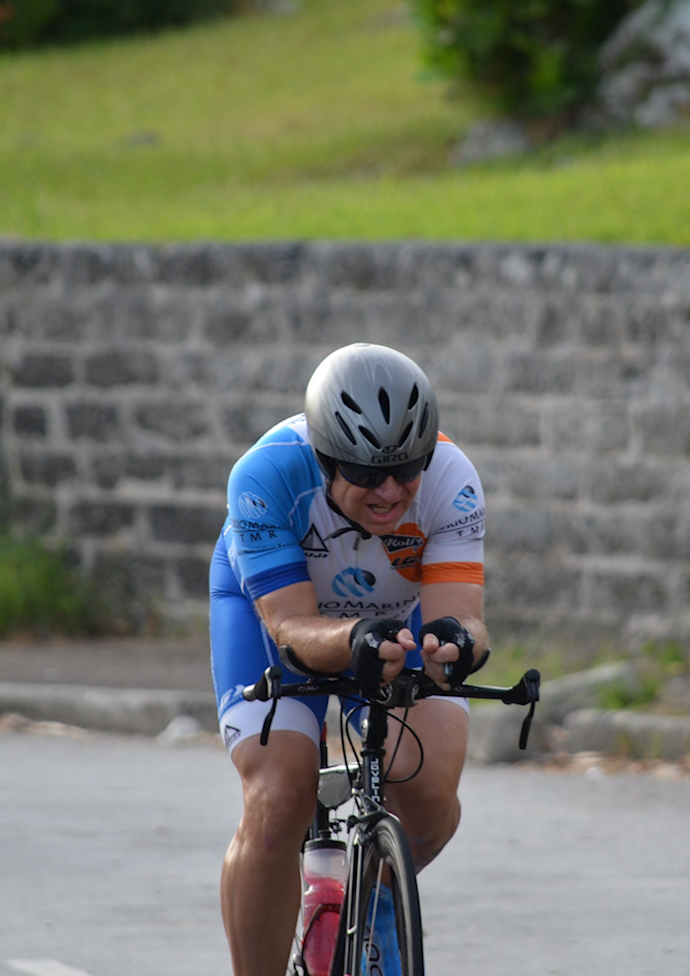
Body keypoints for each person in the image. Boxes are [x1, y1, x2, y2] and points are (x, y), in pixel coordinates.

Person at [209, 342, 490, 976]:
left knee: (430, 789)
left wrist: (457, 644)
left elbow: (462, 614)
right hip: (276, 616)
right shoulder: (264, 476)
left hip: (393, 619)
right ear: (324, 457)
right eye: (365, 475)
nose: (391, 491)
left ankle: (375, 902)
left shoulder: (452, 478)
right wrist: (358, 637)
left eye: (406, 469)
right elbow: (288, 629)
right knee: (279, 794)